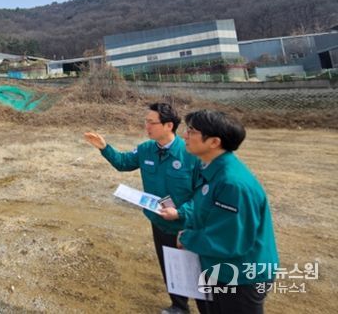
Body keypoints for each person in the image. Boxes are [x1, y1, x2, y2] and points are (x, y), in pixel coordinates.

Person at [84, 103, 201, 314]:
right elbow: (123, 163)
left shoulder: (190, 154)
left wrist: (181, 213)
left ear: (168, 125)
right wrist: (104, 147)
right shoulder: (146, 149)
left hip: (187, 226)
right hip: (159, 220)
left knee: (196, 271)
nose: (146, 126)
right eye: (146, 121)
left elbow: (202, 194)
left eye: (151, 122)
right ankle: (179, 306)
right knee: (170, 265)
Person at [158, 110, 279, 314]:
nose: (184, 135)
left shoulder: (232, 184)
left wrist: (188, 238)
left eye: (192, 131)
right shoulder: (210, 169)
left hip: (239, 276)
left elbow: (230, 241)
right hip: (217, 266)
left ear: (214, 142)